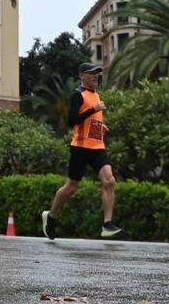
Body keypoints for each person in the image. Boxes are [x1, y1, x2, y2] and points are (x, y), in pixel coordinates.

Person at [42, 63, 123, 241]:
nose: (96, 76)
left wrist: (100, 126)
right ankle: (52, 216)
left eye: (97, 74)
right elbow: (72, 120)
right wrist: (92, 111)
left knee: (109, 181)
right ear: (82, 76)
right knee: (71, 187)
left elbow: (89, 121)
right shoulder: (78, 95)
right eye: (92, 73)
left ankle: (107, 224)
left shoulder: (96, 95)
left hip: (97, 147)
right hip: (80, 148)